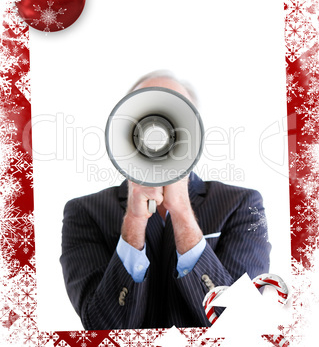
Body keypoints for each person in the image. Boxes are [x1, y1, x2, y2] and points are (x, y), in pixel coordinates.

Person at [60, 71, 271, 330]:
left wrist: (182, 212)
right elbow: (101, 329)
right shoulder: (83, 212)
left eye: (174, 114)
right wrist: (134, 222)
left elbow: (239, 323)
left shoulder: (243, 203)